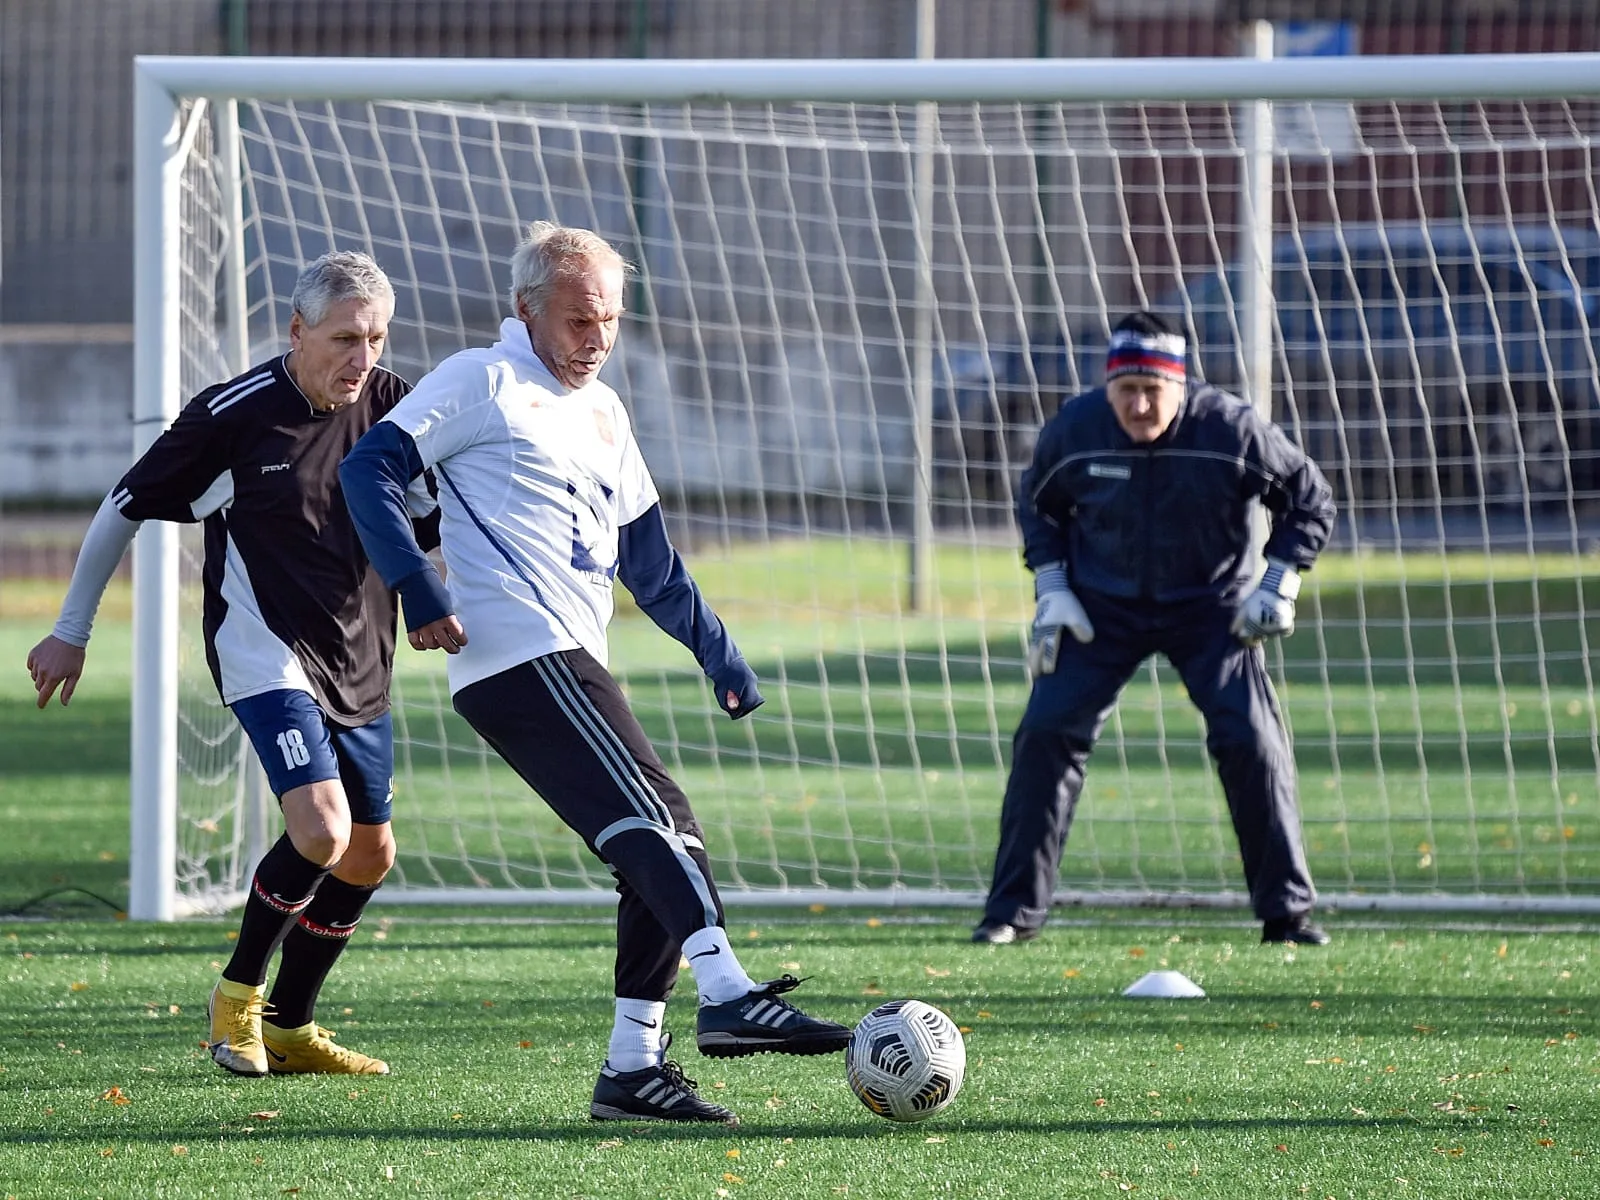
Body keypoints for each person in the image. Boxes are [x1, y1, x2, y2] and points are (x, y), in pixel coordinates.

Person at [339, 220, 851, 1128]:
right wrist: (418, 588)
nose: (598, 337)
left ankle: (632, 1070)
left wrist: (718, 652)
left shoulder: (606, 412)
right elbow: (368, 468)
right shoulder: (483, 380)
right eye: (580, 319)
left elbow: (650, 561)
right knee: (661, 824)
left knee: (652, 847)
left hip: (569, 655)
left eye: (610, 318)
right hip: (517, 653)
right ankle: (728, 992)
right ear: (526, 309)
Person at [26, 251, 434, 1077]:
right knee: (321, 830)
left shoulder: (397, 406)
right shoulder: (233, 414)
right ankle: (236, 998)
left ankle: (290, 1025)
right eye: (345, 338)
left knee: (369, 854)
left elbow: (429, 521)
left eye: (377, 338)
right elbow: (123, 505)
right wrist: (72, 629)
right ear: (296, 331)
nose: (363, 358)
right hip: (265, 651)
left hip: (361, 653)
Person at [971, 310, 1337, 948]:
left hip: (1212, 608)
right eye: (1126, 390)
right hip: (1100, 609)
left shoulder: (1229, 428)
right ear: (1107, 387)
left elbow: (1309, 497)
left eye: (1152, 390)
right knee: (1045, 732)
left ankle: (1287, 916)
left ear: (1180, 384)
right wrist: (1052, 585)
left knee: (1252, 737)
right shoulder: (1076, 429)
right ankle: (1010, 915)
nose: (1139, 405)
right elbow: (1037, 505)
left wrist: (1278, 581)